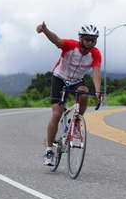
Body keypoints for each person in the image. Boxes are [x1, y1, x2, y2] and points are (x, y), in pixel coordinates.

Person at [36, 22, 102, 166]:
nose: (90, 43)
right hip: (59, 78)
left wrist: (97, 91)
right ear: (80, 38)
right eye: (87, 39)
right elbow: (56, 40)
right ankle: (49, 150)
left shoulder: (95, 53)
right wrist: (45, 30)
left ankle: (77, 122)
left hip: (77, 80)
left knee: (84, 93)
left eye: (93, 40)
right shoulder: (70, 45)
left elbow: (96, 72)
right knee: (57, 112)